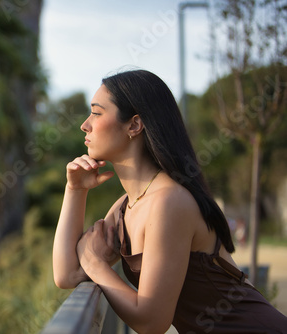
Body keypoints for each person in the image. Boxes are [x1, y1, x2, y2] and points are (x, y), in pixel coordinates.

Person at [52, 69, 287, 333]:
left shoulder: (169, 201)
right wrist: (75, 190)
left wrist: (95, 264)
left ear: (134, 125)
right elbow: (66, 274)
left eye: (96, 112)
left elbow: (153, 321)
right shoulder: (125, 208)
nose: (85, 124)